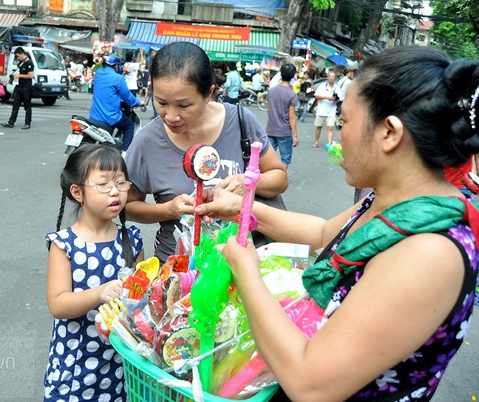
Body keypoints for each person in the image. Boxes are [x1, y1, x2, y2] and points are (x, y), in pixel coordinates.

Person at [195, 46, 479, 401]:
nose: (339, 135)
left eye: (344, 122)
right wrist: (242, 209)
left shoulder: (430, 251)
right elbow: (325, 234)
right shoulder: (391, 200)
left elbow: (310, 383)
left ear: (389, 132)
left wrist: (246, 269)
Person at [124, 41, 287, 261]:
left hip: (241, 264)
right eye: (161, 102)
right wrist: (168, 210)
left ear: (209, 93)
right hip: (179, 269)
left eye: (184, 105)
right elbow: (128, 206)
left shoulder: (240, 122)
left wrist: (248, 183)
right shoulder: (147, 141)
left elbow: (279, 178)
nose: (171, 116)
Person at [43, 144, 144, 401]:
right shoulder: (64, 244)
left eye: (121, 183)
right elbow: (58, 304)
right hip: (76, 362)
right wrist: (99, 293)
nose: (115, 192)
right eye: (103, 184)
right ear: (77, 192)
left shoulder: (131, 239)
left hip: (121, 362)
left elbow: (140, 293)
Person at [89, 53, 141, 151]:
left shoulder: (99, 72)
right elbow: (127, 96)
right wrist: (137, 102)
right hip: (109, 116)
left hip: (95, 115)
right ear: (116, 65)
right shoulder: (118, 78)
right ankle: (126, 153)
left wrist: (122, 70)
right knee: (129, 126)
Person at [266, 63, 299, 167]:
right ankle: (281, 179)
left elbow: (268, 109)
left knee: (267, 156)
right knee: (285, 158)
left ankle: (266, 177)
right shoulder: (292, 94)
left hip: (271, 129)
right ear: (293, 76)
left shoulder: (272, 91)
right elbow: (291, 116)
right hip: (284, 131)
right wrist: (295, 135)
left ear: (281, 74)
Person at [1, 47, 34, 130]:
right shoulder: (21, 63)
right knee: (15, 105)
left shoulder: (29, 63)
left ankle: (27, 123)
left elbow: (30, 75)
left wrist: (19, 76)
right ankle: (11, 122)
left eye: (18, 56)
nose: (17, 58)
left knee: (27, 106)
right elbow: (16, 70)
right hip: (19, 86)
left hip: (26, 87)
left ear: (23, 54)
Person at [312, 70, 342, 147]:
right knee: (319, 127)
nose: (331, 78)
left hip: (331, 110)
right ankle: (316, 142)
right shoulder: (322, 86)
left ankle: (329, 144)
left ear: (335, 78)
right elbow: (317, 96)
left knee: (330, 127)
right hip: (321, 110)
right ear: (327, 77)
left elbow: (340, 98)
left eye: (333, 77)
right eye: (330, 76)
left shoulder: (337, 88)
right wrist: (326, 97)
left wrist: (335, 99)